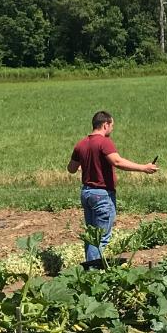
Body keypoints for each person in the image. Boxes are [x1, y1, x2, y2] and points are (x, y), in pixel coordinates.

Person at [67, 110, 157, 266]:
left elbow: (71, 169)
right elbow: (117, 162)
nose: (112, 129)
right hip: (102, 195)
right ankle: (92, 273)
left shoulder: (81, 144)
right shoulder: (104, 142)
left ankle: (89, 270)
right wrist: (144, 168)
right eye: (112, 125)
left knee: (92, 236)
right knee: (101, 238)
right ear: (105, 124)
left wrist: (86, 164)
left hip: (87, 193)